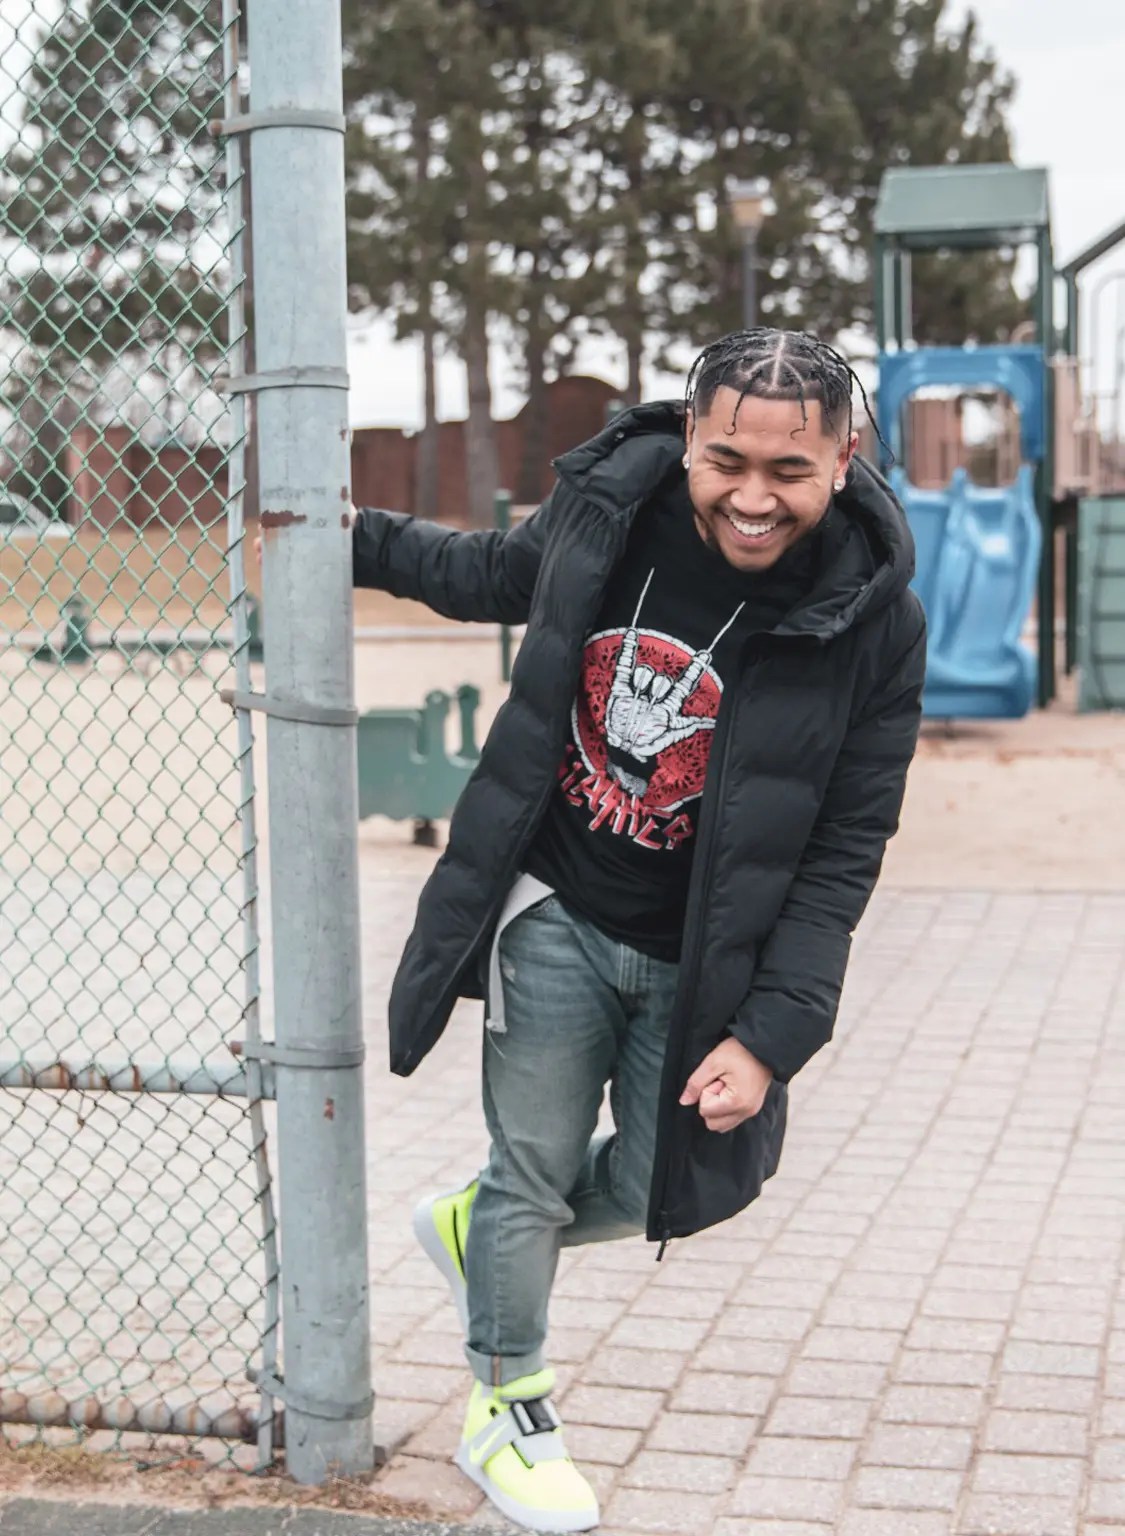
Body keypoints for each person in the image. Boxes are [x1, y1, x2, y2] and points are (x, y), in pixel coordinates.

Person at [351, 328, 926, 1533]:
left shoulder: (874, 615)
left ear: (847, 457)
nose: (755, 499)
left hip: (707, 955)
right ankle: (505, 1404)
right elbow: (491, 577)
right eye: (727, 463)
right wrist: (345, 538)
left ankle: (484, 1229)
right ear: (687, 438)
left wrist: (774, 1033)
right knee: (533, 1168)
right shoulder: (611, 515)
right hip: (553, 905)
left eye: (790, 473)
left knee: (690, 1183)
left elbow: (844, 846)